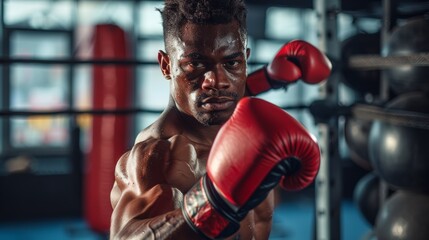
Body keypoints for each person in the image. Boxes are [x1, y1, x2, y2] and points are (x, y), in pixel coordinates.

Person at [109, 0, 332, 239]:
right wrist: (213, 204)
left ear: (245, 61)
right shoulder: (158, 155)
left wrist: (268, 78)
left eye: (232, 63)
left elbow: (219, 91)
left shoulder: (243, 134)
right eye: (195, 64)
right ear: (166, 65)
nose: (216, 80)